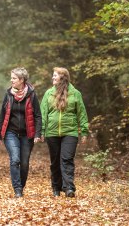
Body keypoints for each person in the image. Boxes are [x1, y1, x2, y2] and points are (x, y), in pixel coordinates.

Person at [40, 67, 89, 198]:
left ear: (62, 77)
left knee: (67, 159)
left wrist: (84, 131)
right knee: (55, 161)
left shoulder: (75, 93)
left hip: (70, 132)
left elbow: (82, 113)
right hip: (52, 132)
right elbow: (43, 113)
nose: (52, 77)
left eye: (55, 75)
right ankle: (56, 187)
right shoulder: (48, 93)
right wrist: (42, 131)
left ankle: (69, 188)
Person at [0, 67, 42, 197]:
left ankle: (21, 186)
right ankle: (17, 189)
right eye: (11, 78)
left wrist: (38, 133)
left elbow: (38, 115)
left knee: (25, 162)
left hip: (27, 134)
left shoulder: (31, 94)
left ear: (21, 80)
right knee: (15, 159)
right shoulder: (8, 94)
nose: (11, 80)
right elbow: (2, 114)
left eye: (14, 78)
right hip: (11, 133)